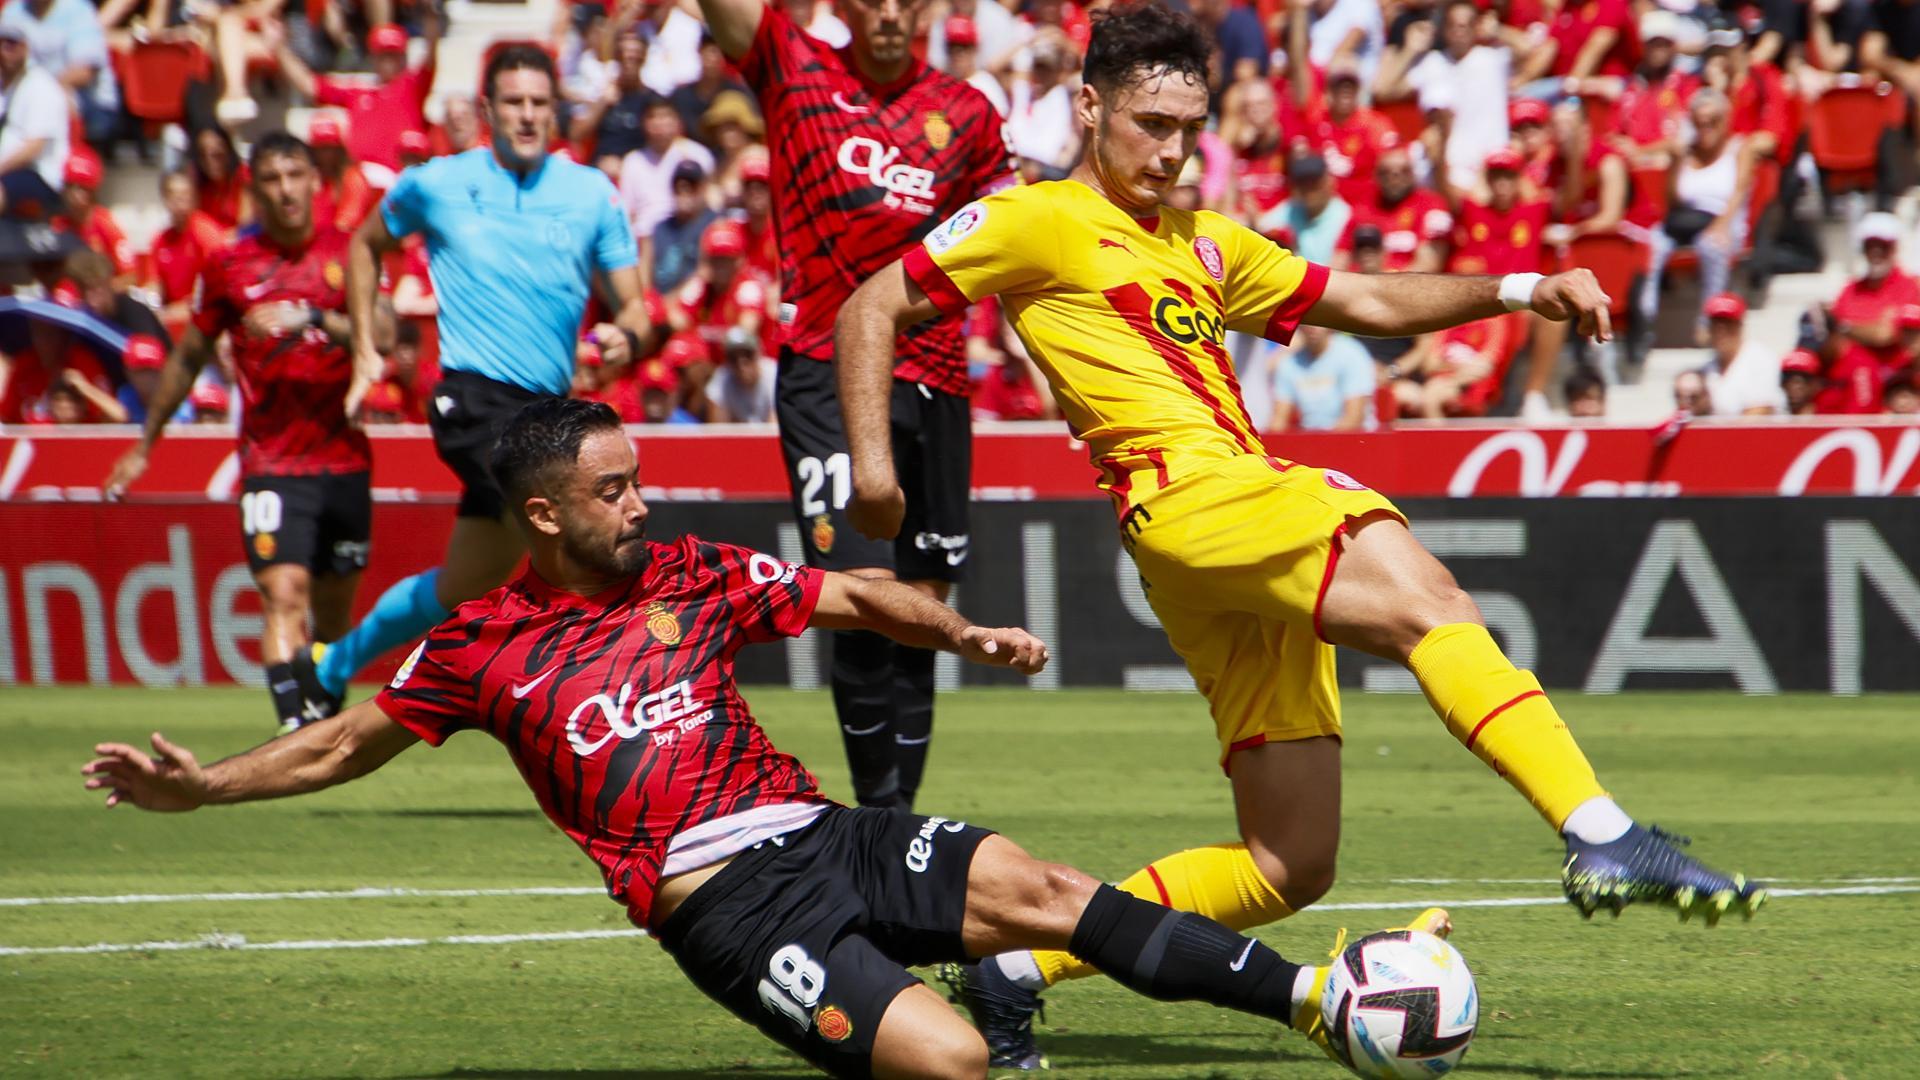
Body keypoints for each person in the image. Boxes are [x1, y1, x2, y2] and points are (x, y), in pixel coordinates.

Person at [833, 5, 1764, 1068]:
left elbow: (1362, 296)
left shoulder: (1206, 241)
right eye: (1149, 122)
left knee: (1288, 864)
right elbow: (870, 305)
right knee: (1434, 605)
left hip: (1195, 537)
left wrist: (1520, 288)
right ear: (1088, 106)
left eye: (1189, 126)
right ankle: (1600, 833)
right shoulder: (1035, 219)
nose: (1172, 151)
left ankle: (1015, 967)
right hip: (1198, 494)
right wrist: (874, 470)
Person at [83, 396, 1450, 1080]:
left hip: (825, 835)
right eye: (613, 490)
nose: (642, 500)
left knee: (1045, 890)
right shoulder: (479, 648)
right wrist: (202, 789)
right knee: (956, 1062)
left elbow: (848, 589)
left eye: (638, 480)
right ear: (546, 516)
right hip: (727, 907)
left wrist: (955, 632)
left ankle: (1320, 1004)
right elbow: (338, 747)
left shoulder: (687, 572)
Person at [697, 0, 1016, 814]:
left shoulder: (968, 113)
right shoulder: (793, 65)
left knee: (926, 607)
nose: (890, 13)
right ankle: (880, 817)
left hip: (937, 375)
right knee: (863, 593)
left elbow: (1012, 245)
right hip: (824, 369)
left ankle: (899, 819)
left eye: (908, 0)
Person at [283, 45, 655, 721]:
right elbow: (365, 245)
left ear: (556, 110)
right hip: (471, 399)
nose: (528, 114)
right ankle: (578, 700)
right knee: (577, 528)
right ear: (487, 110)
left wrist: (624, 336)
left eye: (540, 102)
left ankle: (332, 661)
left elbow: (635, 307)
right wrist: (366, 345)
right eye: (514, 101)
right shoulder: (437, 183)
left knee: (466, 582)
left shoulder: (591, 195)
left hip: (547, 413)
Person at [104, 133, 376, 733]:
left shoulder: (347, 252)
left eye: (295, 175)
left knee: (333, 617)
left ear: (315, 182)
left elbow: (380, 331)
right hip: (272, 462)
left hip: (345, 460)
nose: (285, 189)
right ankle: (294, 731)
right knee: (284, 595)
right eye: (272, 178)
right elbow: (187, 356)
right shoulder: (228, 265)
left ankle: (319, 721)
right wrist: (147, 442)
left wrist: (312, 318)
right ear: (254, 191)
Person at [273, 20, 438, 175]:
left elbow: (430, 56)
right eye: (383, 54)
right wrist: (278, 47)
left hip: (397, 175)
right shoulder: (358, 90)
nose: (389, 61)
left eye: (393, 54)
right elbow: (310, 86)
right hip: (361, 178)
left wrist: (431, 17)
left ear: (403, 57)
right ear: (373, 58)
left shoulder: (412, 86)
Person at [0, 23, 69, 221]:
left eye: (12, 43)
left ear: (25, 48)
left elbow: (34, 147)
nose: (5, 50)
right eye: (1, 43)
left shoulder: (41, 86)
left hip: (38, 175)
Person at [1269, 324, 1376, 430]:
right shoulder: (1289, 363)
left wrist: (1320, 443)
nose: (1312, 327)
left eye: (1318, 321)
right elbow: (1278, 419)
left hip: (1351, 440)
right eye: (1307, 322)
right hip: (1311, 439)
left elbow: (1354, 418)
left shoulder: (1352, 353)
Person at [1696, 293, 1783, 416]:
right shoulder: (1707, 369)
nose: (1721, 331)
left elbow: (1760, 412)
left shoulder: (1761, 360)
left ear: (1740, 325)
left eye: (1728, 324)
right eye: (1716, 324)